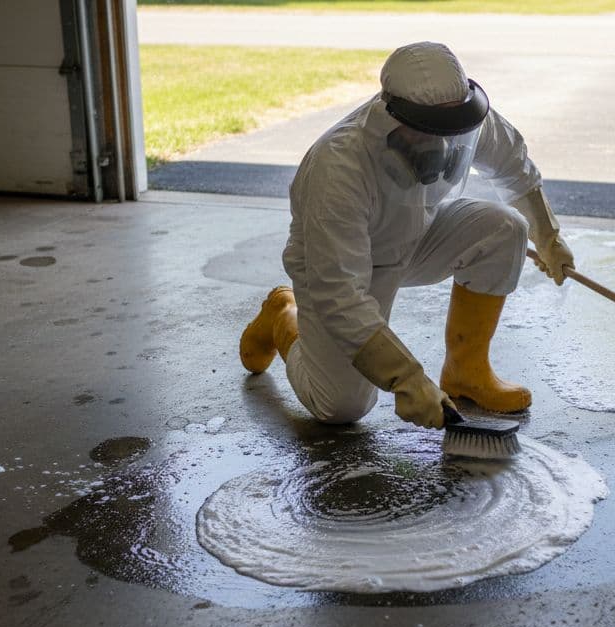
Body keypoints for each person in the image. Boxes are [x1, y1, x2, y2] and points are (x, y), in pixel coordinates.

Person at [239, 41, 575, 429]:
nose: (445, 144)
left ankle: (467, 370)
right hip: (347, 267)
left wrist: (549, 238)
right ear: (392, 118)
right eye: (430, 132)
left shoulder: (461, 119)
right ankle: (284, 314)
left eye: (453, 129)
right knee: (341, 406)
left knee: (505, 229)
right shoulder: (337, 168)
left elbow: (514, 164)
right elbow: (341, 296)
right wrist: (406, 378)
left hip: (417, 236)